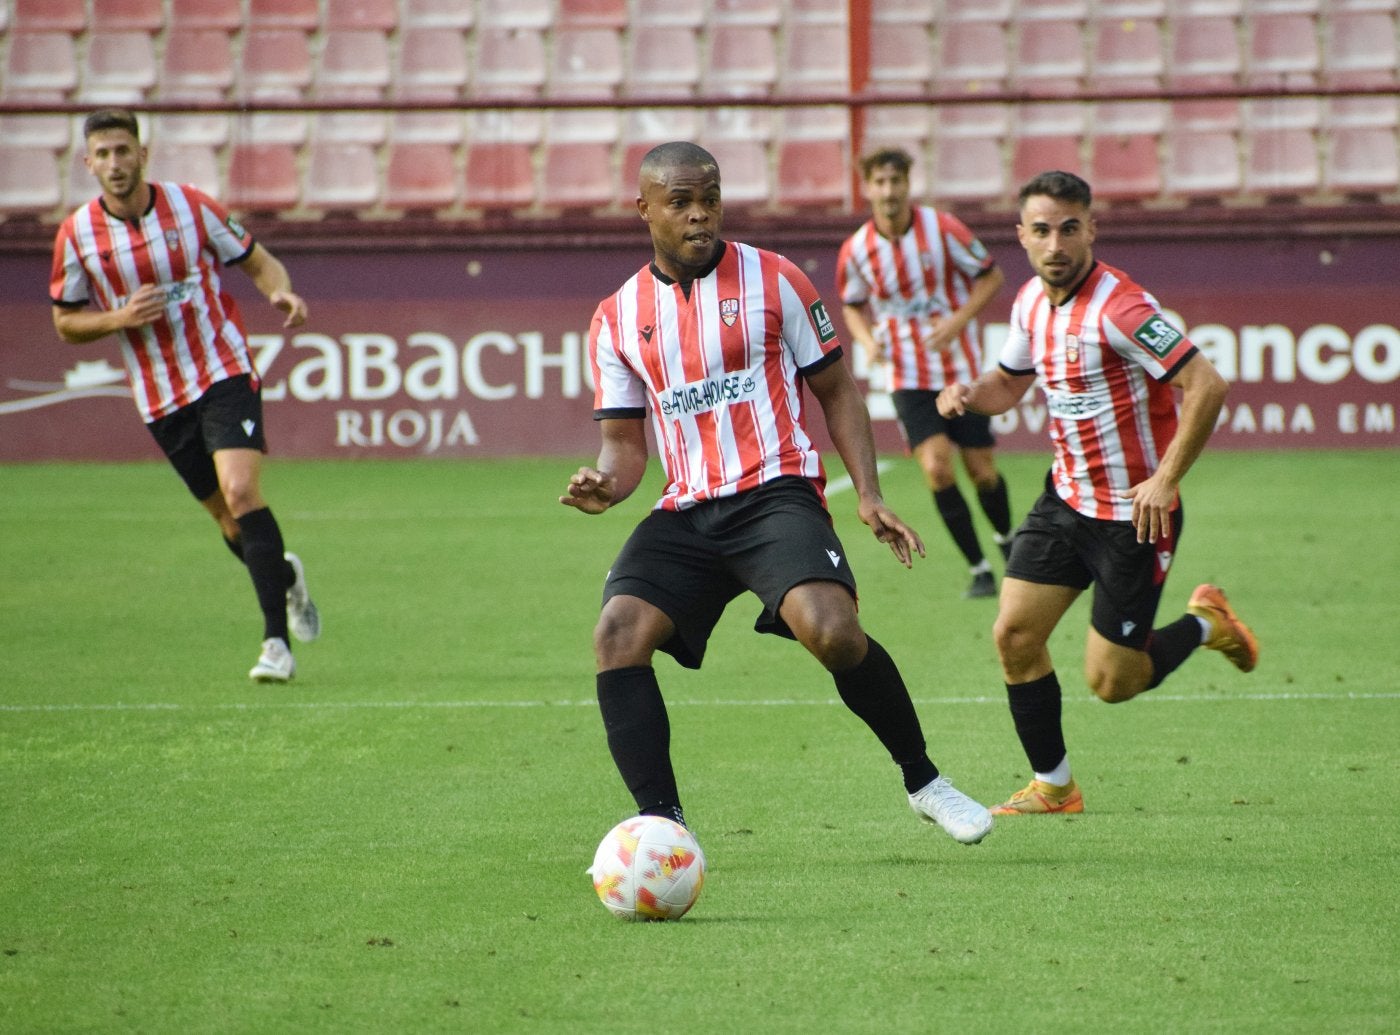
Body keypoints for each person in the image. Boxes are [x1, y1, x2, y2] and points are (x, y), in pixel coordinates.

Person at [560, 141, 992, 845]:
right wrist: (605, 487)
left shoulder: (776, 279)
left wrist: (870, 494)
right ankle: (663, 826)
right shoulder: (616, 316)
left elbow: (837, 390)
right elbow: (625, 446)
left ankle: (925, 781)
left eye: (710, 199)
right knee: (616, 633)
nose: (700, 216)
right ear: (645, 209)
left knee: (833, 632)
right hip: (687, 510)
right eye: (681, 203)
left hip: (775, 493)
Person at [936, 170, 1259, 816]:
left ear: (1091, 229)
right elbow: (1009, 382)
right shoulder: (1030, 301)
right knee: (1014, 635)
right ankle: (1055, 786)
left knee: (1114, 681)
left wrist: (1164, 479)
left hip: (1134, 516)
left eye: (1069, 228)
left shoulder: (1122, 309)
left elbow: (1209, 384)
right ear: (1022, 235)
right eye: (1042, 229)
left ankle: (1205, 624)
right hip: (1065, 500)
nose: (1055, 243)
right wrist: (971, 394)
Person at [50, 108, 320, 683]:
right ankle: (286, 579)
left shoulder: (191, 206)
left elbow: (257, 260)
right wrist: (118, 317)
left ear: (143, 154)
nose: (115, 164)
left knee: (241, 491)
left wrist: (281, 294)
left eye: (124, 151)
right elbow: (66, 322)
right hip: (159, 392)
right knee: (228, 522)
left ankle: (276, 644)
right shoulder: (77, 235)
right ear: (88, 163)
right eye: (103, 154)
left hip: (222, 366)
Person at [837, 147, 1013, 600]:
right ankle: (978, 568)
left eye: (895, 181)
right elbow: (852, 305)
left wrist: (956, 322)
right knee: (936, 468)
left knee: (982, 471)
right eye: (879, 182)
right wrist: (868, 340)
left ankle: (1008, 543)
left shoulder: (943, 228)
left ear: (908, 184)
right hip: (906, 374)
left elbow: (990, 277)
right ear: (867, 187)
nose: (888, 190)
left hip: (960, 369)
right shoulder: (857, 249)